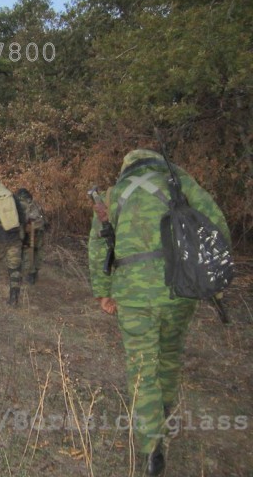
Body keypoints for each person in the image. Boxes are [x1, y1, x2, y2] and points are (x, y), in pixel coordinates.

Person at [88, 149, 231, 476]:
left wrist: (103, 292)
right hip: (180, 289)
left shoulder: (112, 194)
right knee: (169, 354)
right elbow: (216, 224)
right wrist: (215, 282)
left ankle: (153, 447)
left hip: (134, 295)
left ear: (127, 168)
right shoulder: (181, 183)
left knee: (141, 366)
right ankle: (164, 414)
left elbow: (98, 244)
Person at [16, 188, 48, 284]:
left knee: (27, 253)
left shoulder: (22, 204)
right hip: (39, 232)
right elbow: (44, 220)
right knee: (37, 252)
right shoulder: (36, 204)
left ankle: (29, 275)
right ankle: (34, 273)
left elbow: (22, 220)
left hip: (30, 232)